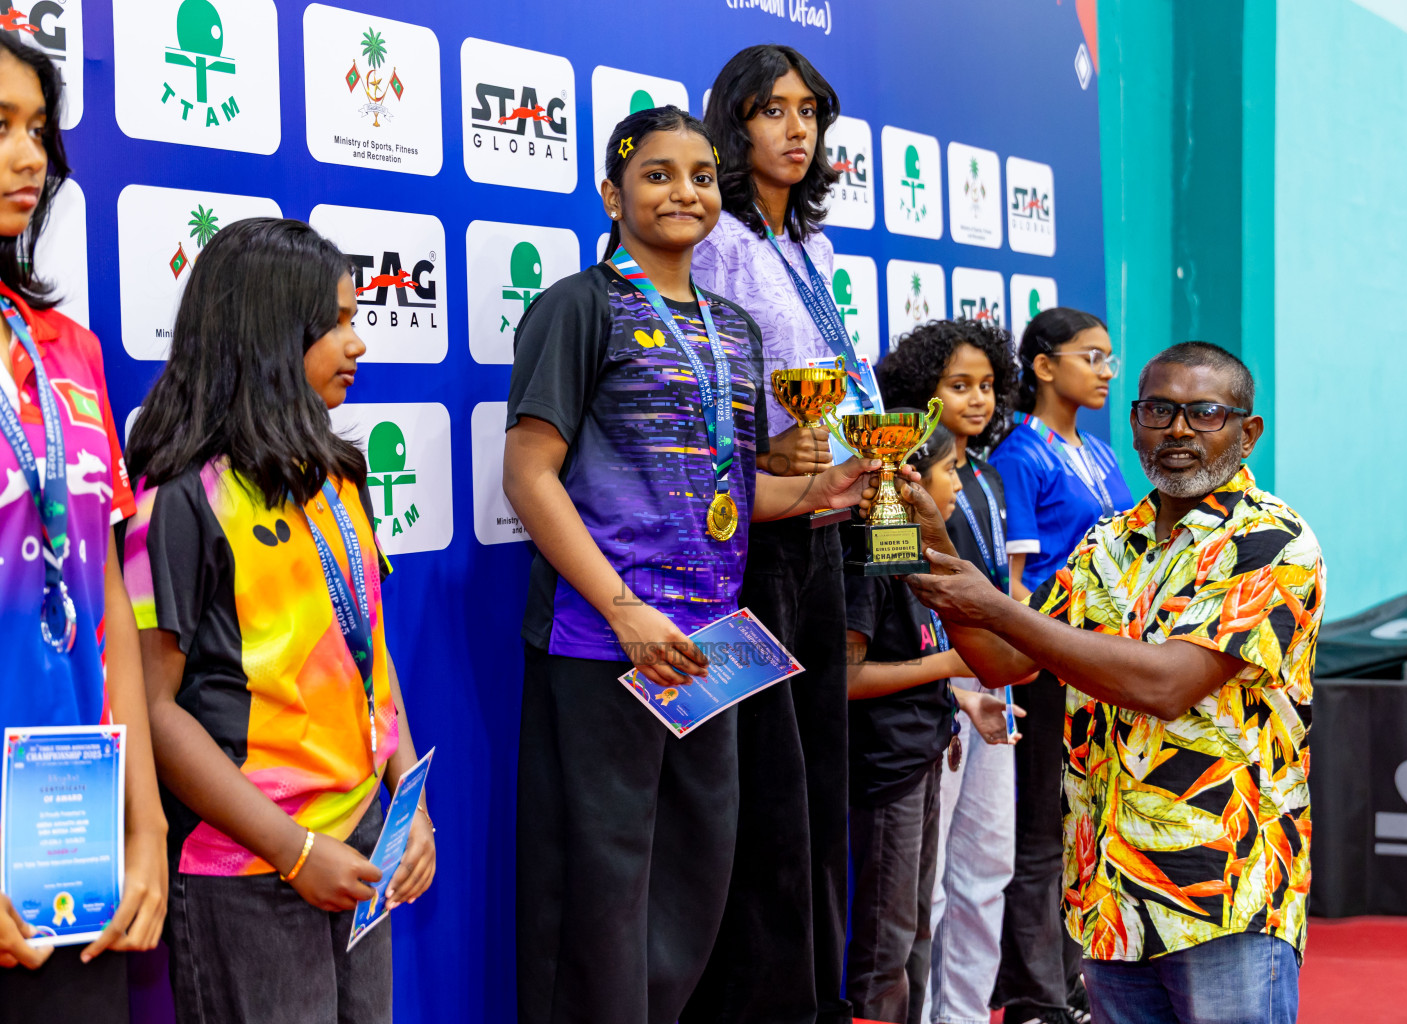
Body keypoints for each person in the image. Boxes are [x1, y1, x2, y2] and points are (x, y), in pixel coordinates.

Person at [502, 106, 876, 1024]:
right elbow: (528, 473)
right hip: (605, 645)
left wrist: (835, 485)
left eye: (703, 175)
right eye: (659, 174)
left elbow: (728, 487)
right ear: (613, 193)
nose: (685, 192)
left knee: (695, 885)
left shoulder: (734, 327)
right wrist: (623, 608)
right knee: (600, 892)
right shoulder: (578, 307)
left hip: (711, 650)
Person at [906, 343, 1325, 1024]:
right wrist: (939, 548)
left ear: (1247, 433)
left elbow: (1167, 685)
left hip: (1221, 890)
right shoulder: (1108, 541)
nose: (1179, 431)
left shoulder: (1272, 541)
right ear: (1134, 424)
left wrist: (997, 606)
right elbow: (1006, 663)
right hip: (1107, 891)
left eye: (1204, 413)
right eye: (1160, 411)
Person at [124, 218, 436, 1024]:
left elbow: (368, 650)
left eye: (356, 318)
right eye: (335, 322)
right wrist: (294, 851)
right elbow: (154, 711)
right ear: (267, 334)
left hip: (361, 846)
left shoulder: (337, 478)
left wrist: (409, 804)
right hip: (248, 870)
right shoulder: (179, 502)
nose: (357, 342)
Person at [686, 44, 866, 1024]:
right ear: (734, 123)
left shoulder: (815, 252)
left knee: (820, 792)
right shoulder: (716, 243)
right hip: (746, 547)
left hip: (827, 534)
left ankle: (814, 995)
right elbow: (704, 409)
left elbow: (831, 399)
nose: (796, 129)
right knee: (761, 801)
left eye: (810, 111)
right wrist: (781, 474)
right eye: (772, 110)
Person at [0, 34, 167, 1023]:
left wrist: (143, 826)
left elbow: (105, 590)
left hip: (71, 841)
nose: (31, 157)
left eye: (35, 129)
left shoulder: (65, 348)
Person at [844, 417, 1020, 1024]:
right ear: (907, 478)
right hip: (887, 764)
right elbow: (848, 678)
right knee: (887, 943)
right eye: (948, 470)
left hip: (922, 751)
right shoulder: (870, 554)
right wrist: (951, 663)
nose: (957, 482)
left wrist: (963, 697)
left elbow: (912, 650)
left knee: (919, 925)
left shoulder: (915, 548)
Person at [987, 307, 1132, 1024]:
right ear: (1044, 366)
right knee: (1041, 833)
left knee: (1083, 829)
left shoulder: (1102, 455)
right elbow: (1012, 585)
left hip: (1103, 669)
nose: (1108, 372)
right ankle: (1035, 998)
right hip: (1045, 666)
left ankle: (1075, 983)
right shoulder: (1019, 455)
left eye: (1111, 358)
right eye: (1093, 357)